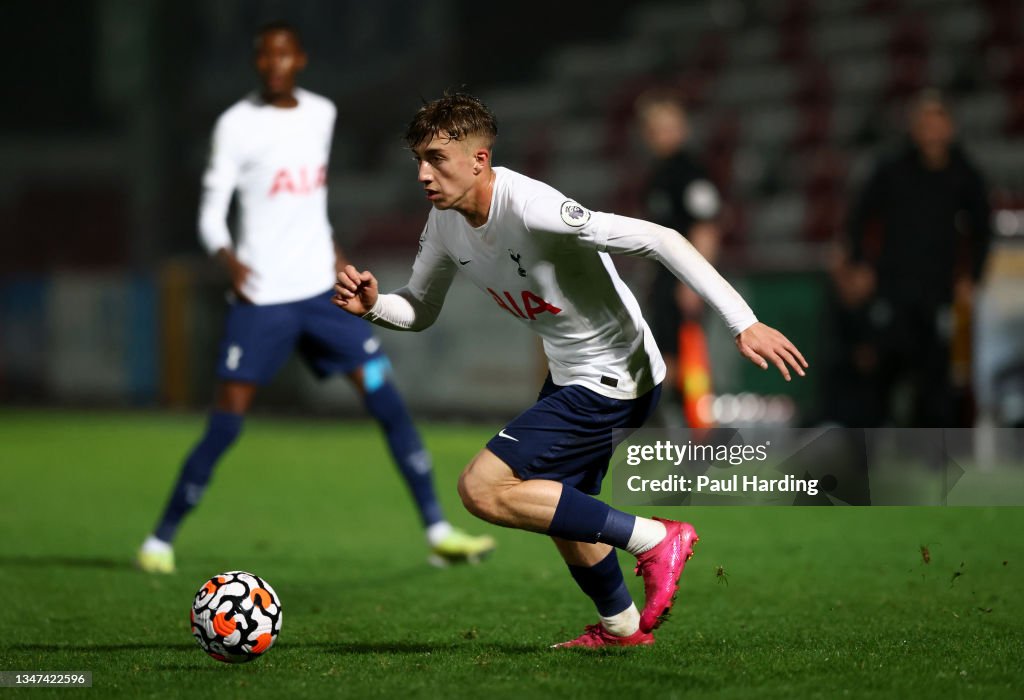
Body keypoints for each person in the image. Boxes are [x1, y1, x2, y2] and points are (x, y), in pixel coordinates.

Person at [333, 92, 806, 647]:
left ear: (479, 161)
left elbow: (662, 239)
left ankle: (655, 539)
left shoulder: (533, 207)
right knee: (561, 510)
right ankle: (622, 628)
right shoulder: (444, 224)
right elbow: (419, 308)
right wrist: (375, 306)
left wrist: (741, 321)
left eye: (436, 158)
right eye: (419, 159)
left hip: (615, 378)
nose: (423, 174)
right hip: (573, 373)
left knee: (481, 489)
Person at [136, 23, 495, 574]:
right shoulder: (235, 125)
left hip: (321, 292)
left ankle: (438, 531)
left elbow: (309, 204)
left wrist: (333, 256)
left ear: (300, 59)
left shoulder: (320, 114)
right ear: (258, 62)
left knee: (385, 399)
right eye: (266, 55)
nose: (276, 63)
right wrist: (231, 265)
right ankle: (160, 540)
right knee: (227, 421)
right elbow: (211, 214)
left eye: (285, 53)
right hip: (262, 297)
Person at [831, 89, 993, 427]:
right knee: (881, 369)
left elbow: (982, 230)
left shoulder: (965, 174)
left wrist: (972, 278)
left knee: (936, 376)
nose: (931, 130)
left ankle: (934, 460)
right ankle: (868, 453)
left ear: (950, 127)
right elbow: (860, 217)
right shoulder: (891, 169)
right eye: (924, 122)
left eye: (938, 121)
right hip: (893, 286)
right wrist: (859, 263)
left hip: (938, 290)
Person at [635, 90, 723, 427]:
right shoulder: (657, 173)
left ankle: (701, 429)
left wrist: (695, 282)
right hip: (662, 277)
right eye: (656, 129)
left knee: (688, 355)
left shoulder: (691, 172)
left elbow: (707, 226)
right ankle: (671, 429)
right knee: (665, 353)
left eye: (669, 127)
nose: (663, 135)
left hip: (683, 277)